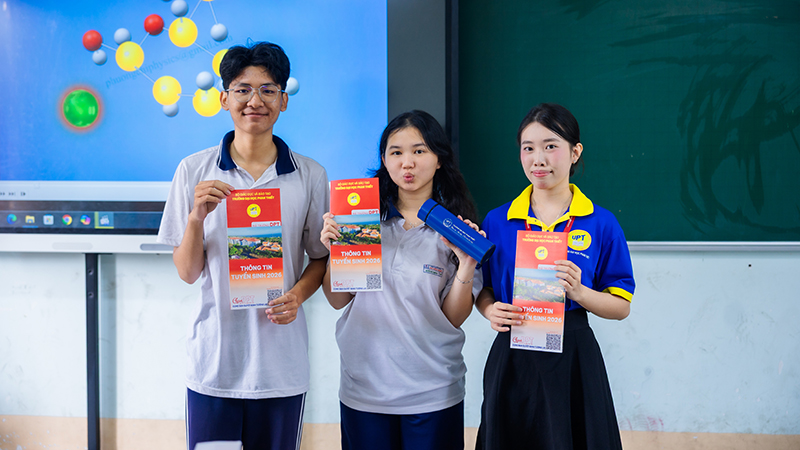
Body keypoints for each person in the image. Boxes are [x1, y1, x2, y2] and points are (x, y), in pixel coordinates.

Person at [157, 42, 329, 450]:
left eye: (268, 90)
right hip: (214, 364)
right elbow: (187, 272)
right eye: (242, 89)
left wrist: (297, 296)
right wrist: (196, 217)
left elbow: (320, 258)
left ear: (283, 100)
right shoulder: (193, 170)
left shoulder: (310, 174)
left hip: (281, 367)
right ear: (224, 99)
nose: (255, 101)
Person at [474, 103, 635, 450]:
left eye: (550, 146)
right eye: (528, 148)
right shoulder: (498, 221)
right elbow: (483, 289)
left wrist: (580, 292)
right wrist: (489, 310)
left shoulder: (601, 223)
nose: (538, 159)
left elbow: (621, 307)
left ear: (575, 152)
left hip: (573, 356)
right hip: (513, 352)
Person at [319, 110, 483, 450]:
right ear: (384, 160)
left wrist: (466, 265)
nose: (407, 162)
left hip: (433, 391)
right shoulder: (362, 221)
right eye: (396, 152)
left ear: (439, 159)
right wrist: (337, 250)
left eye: (419, 151)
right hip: (364, 390)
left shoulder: (456, 228)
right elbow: (337, 300)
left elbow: (453, 317)